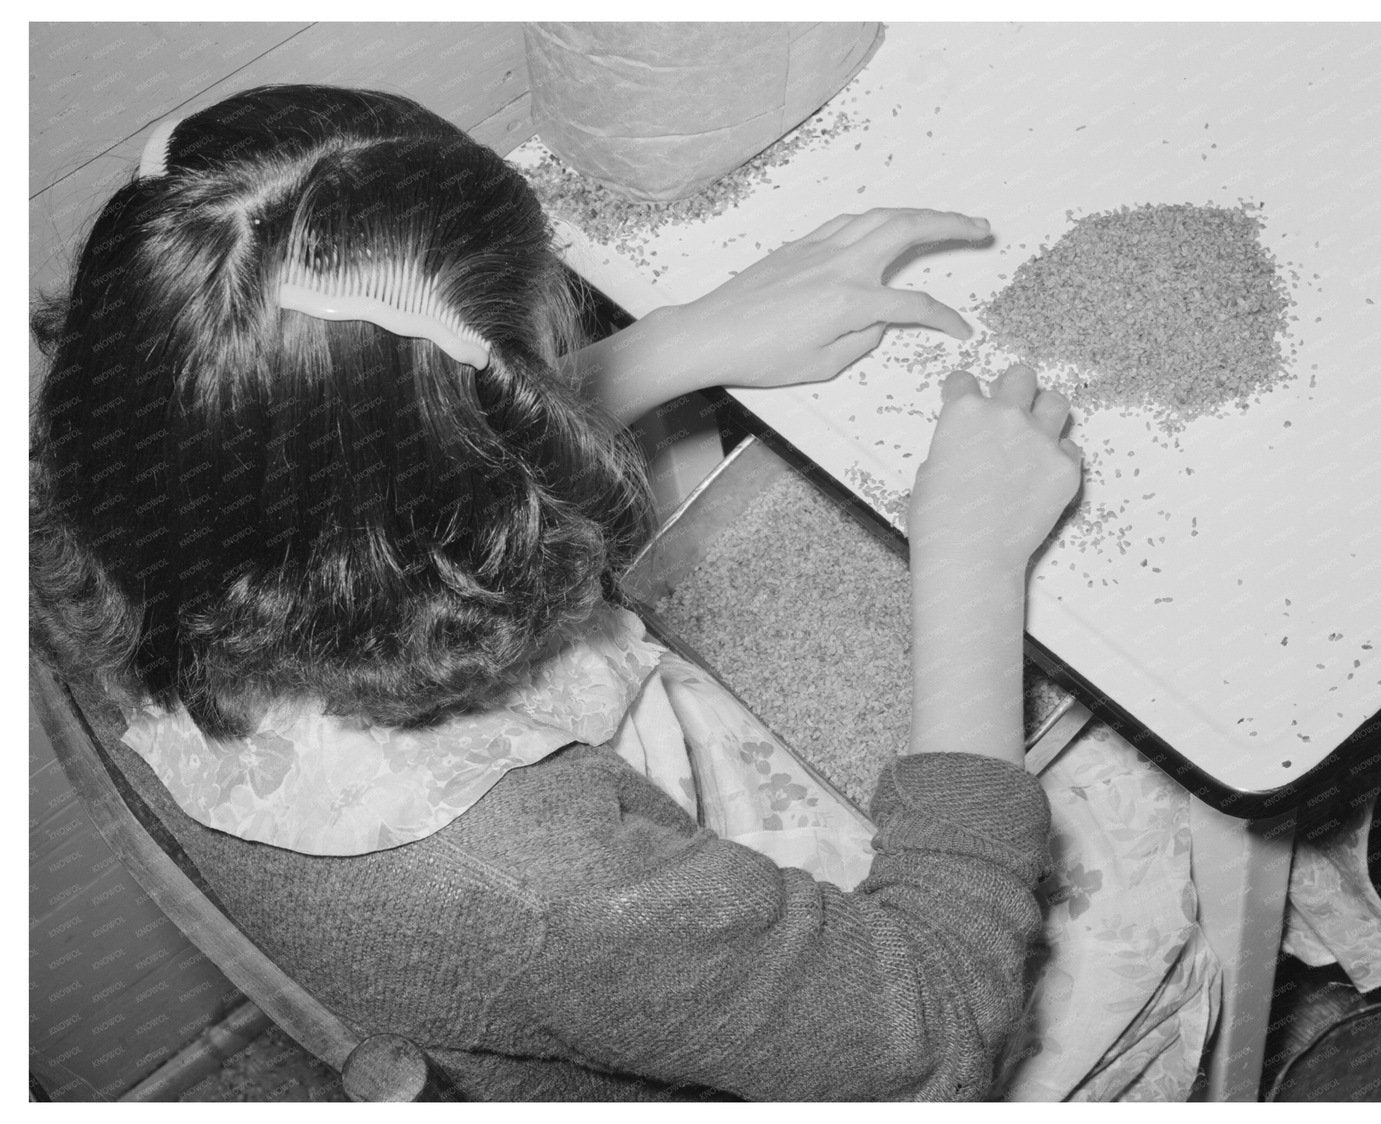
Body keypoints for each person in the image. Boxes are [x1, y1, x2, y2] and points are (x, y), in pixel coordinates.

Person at [30, 84, 1082, 1101]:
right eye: (541, 360)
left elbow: (320, 467)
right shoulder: (547, 885)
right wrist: (971, 567)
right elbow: (939, 1030)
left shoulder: (94, 492)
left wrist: (676, 340)